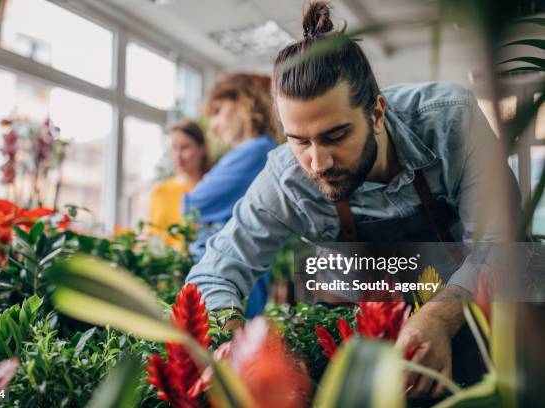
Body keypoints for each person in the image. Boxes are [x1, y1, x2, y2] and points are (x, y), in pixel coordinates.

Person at [186, 1, 521, 400]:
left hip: (483, 327)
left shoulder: (449, 121)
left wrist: (441, 314)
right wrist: (236, 346)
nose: (318, 162)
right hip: (366, 350)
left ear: (377, 113)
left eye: (335, 136)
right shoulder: (285, 178)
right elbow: (214, 273)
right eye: (300, 141)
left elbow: (501, 247)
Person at [182, 73, 280, 316]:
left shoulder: (256, 150)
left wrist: (201, 187)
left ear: (243, 104)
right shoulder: (245, 152)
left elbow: (193, 204)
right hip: (227, 272)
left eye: (218, 111)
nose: (213, 126)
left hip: (230, 273)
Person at [149, 119, 207, 248]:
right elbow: (152, 234)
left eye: (185, 147)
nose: (178, 156)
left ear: (202, 149)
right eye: (174, 148)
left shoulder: (210, 190)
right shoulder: (159, 191)